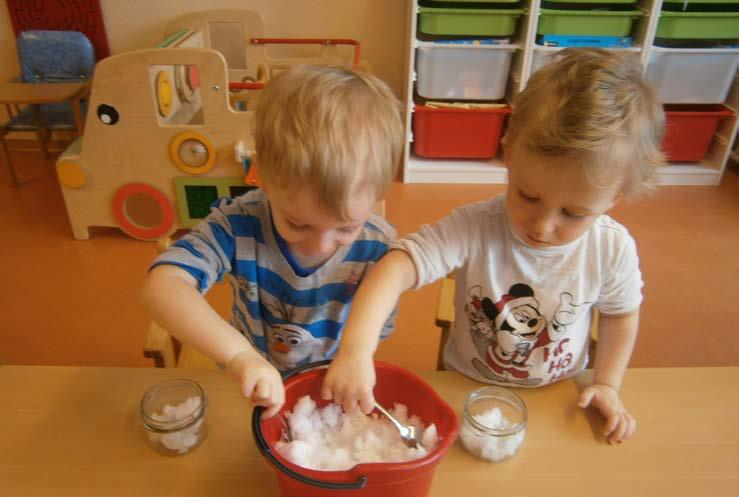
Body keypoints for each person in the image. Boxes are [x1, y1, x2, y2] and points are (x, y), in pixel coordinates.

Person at [322, 48, 665, 444]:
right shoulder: (476, 226)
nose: (543, 224)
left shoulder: (612, 249)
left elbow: (620, 316)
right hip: (466, 386)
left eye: (574, 213)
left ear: (616, 196)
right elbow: (398, 264)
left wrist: (607, 384)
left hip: (559, 396)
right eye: (528, 195)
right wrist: (356, 349)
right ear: (509, 150)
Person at [141, 65, 404, 418]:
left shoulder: (379, 246)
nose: (320, 246)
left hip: (331, 383)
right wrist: (240, 356)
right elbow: (161, 287)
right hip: (251, 381)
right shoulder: (238, 224)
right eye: (297, 223)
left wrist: (357, 353)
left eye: (345, 228)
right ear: (261, 173)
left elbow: (378, 327)